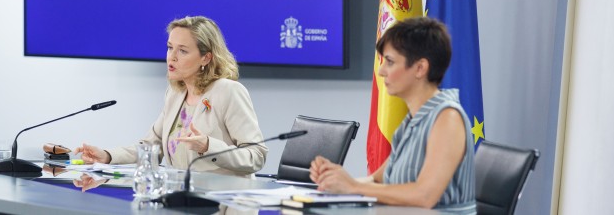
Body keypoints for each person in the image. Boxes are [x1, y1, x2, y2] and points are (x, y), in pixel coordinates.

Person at [309, 17, 476, 213]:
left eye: (390, 62)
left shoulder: (447, 118)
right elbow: (378, 178)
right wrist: (336, 180)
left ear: (420, 68)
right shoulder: (413, 119)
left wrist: (353, 187)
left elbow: (424, 196)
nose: (381, 71)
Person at [75, 16, 267, 177]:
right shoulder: (175, 94)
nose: (171, 57)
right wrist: (107, 156)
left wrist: (208, 146)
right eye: (169, 47)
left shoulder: (228, 91)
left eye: (182, 51)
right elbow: (151, 148)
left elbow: (256, 156)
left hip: (221, 203)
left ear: (206, 58)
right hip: (181, 201)